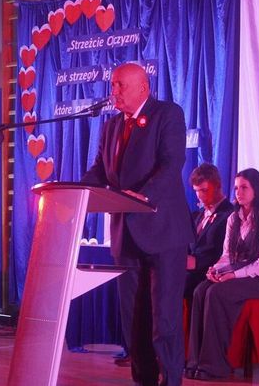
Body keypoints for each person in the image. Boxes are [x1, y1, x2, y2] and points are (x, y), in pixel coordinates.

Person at [82, 62, 194, 386]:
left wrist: (143, 196)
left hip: (163, 232)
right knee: (133, 319)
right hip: (125, 235)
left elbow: (172, 163)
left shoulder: (167, 114)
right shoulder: (111, 126)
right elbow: (101, 171)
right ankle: (143, 380)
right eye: (112, 85)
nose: (114, 91)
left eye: (120, 85)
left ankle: (171, 380)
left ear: (143, 87)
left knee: (164, 318)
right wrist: (76, 192)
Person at [185, 168, 259, 381]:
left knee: (217, 293)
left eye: (244, 187)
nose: (239, 192)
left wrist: (233, 275)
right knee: (201, 290)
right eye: (237, 187)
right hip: (241, 273)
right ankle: (195, 361)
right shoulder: (234, 218)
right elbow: (227, 255)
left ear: (256, 190)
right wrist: (216, 270)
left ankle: (215, 365)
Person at [185, 163, 233, 317]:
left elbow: (225, 252)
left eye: (204, 190)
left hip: (209, 274)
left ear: (217, 186)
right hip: (188, 271)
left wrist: (196, 262)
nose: (199, 196)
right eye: (196, 191)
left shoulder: (230, 215)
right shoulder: (198, 215)